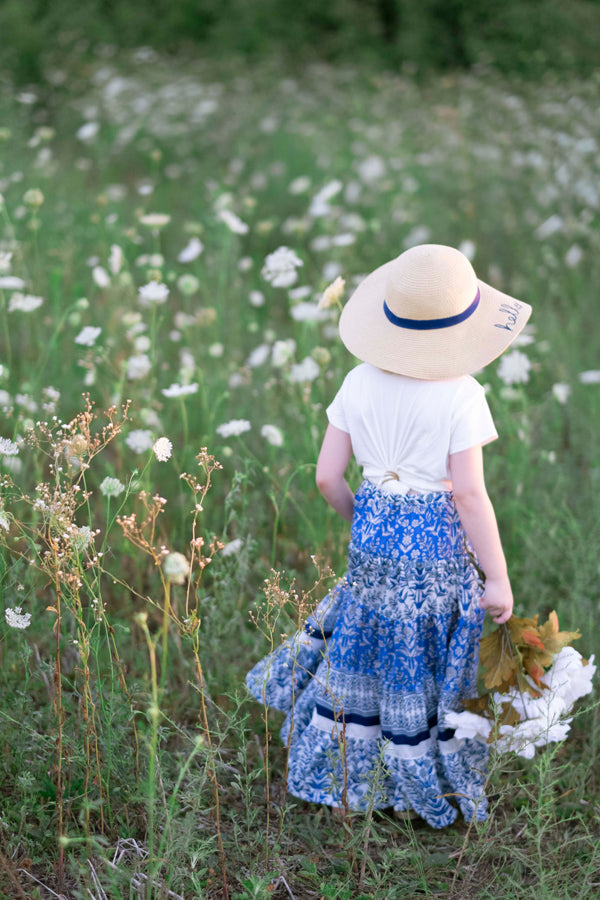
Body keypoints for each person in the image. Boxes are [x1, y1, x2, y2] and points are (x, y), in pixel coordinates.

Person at [246, 243, 532, 829]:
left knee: (366, 643)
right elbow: (470, 495)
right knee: (419, 651)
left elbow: (327, 476)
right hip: (434, 549)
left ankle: (349, 766)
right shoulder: (462, 394)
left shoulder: (357, 380)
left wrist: (364, 517)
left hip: (373, 540)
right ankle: (418, 765)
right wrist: (497, 576)